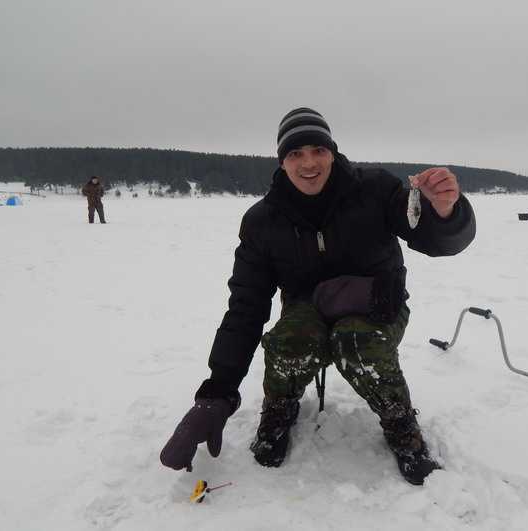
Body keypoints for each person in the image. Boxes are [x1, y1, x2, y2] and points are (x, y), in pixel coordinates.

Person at [160, 107, 476, 485]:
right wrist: (218, 392)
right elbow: (246, 306)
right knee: (289, 340)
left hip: (377, 303)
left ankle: (401, 426)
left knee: (356, 341)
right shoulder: (262, 221)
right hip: (307, 309)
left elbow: (438, 240)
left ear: (332, 152)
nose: (308, 163)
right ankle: (278, 411)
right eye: (295, 154)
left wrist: (445, 212)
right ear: (282, 161)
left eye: (317, 150)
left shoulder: (376, 189)